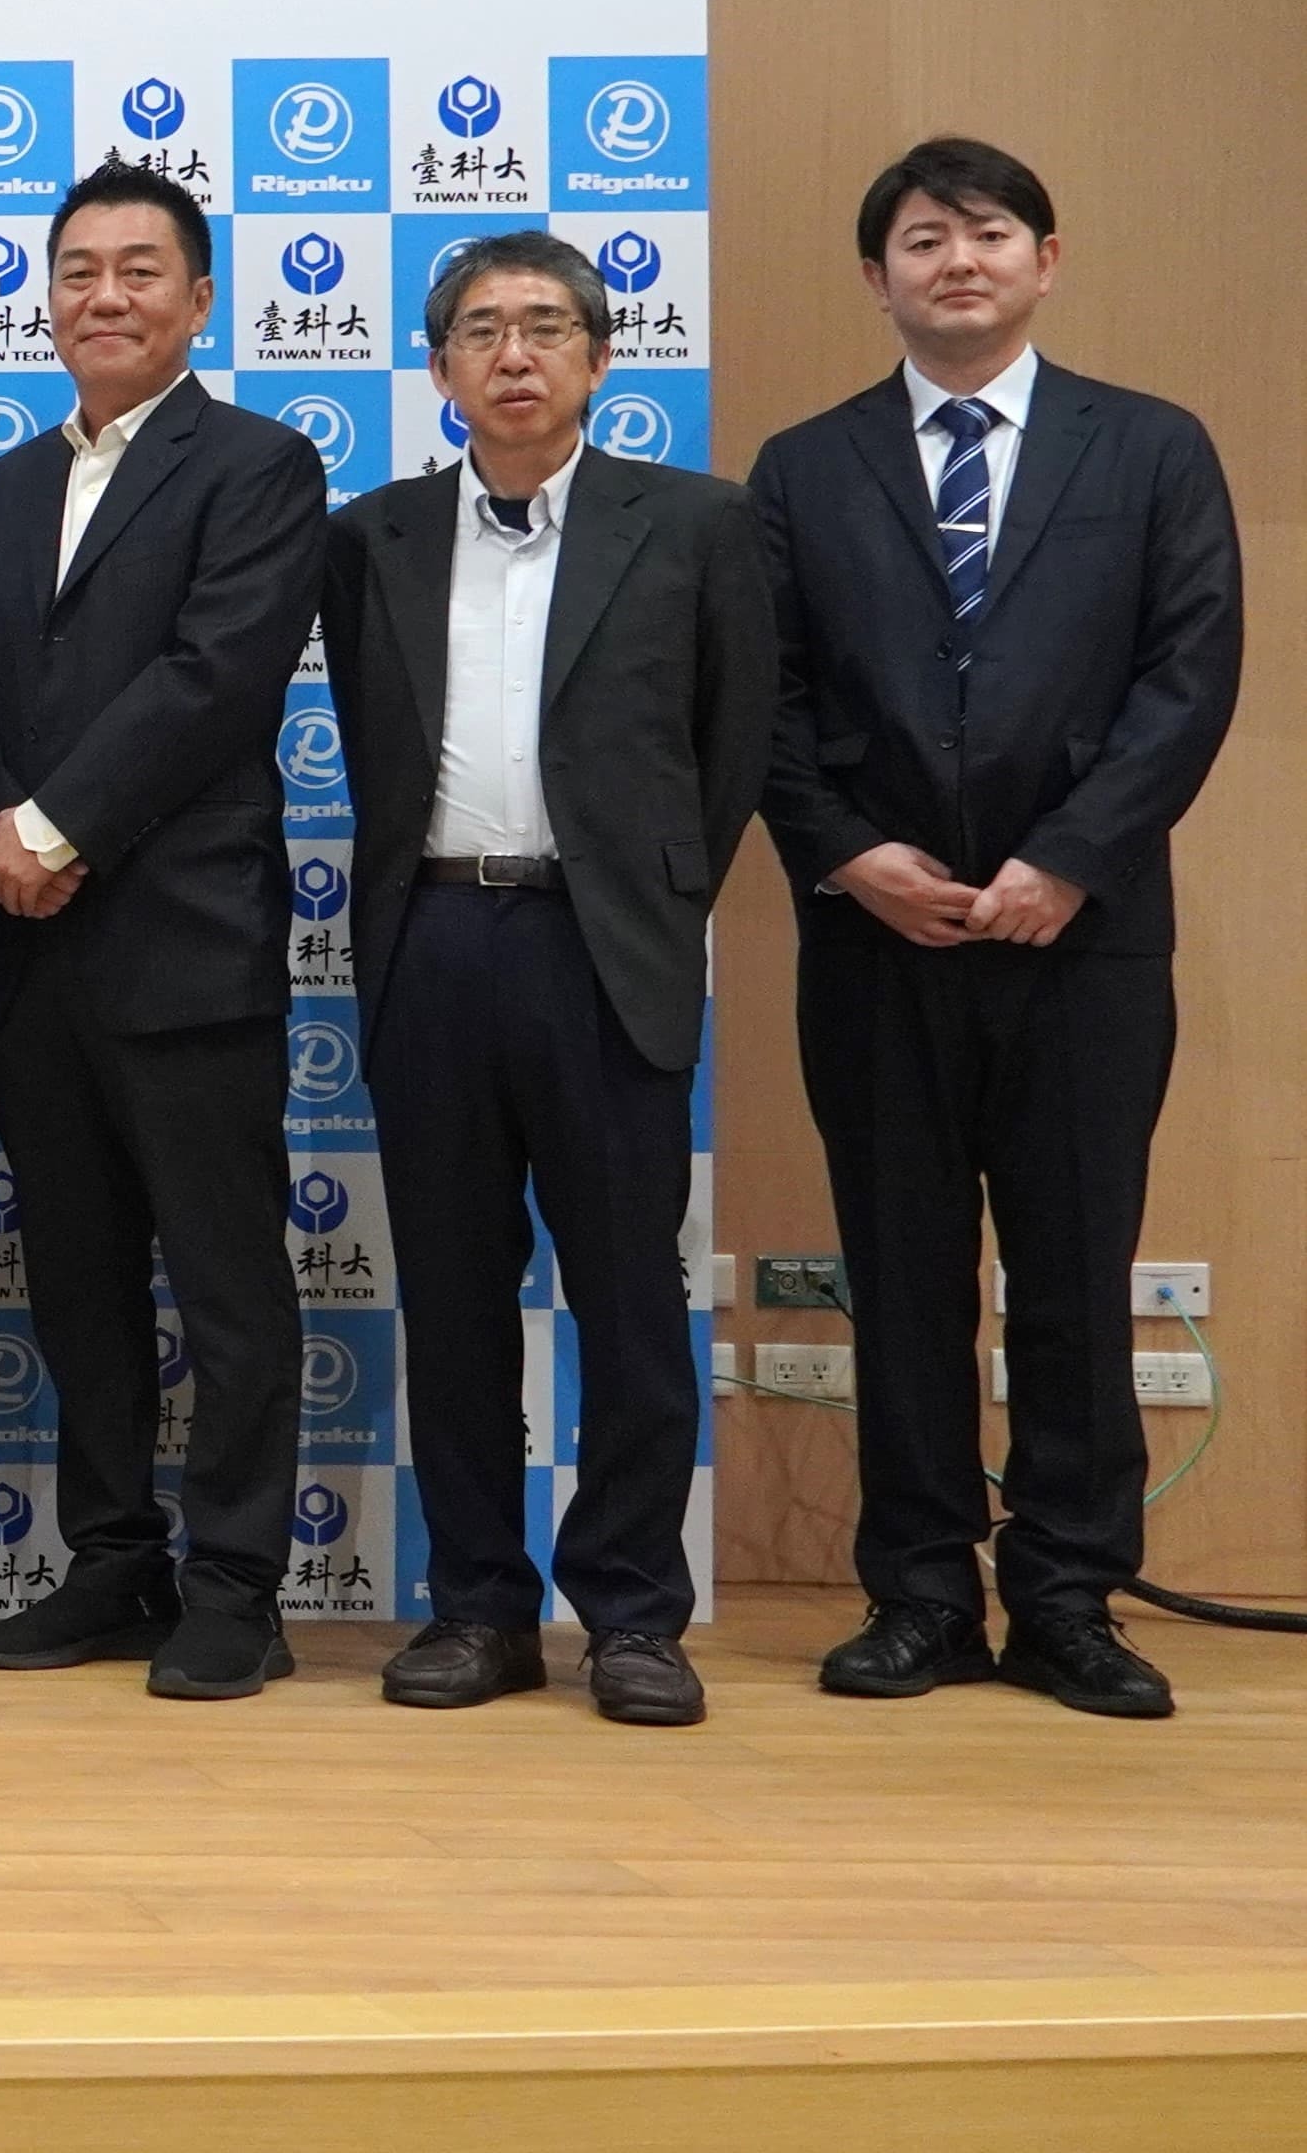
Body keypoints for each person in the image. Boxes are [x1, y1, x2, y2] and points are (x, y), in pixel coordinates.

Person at [753, 137, 1241, 1720]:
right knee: (896, 1276)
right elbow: (765, 704)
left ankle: (1065, 1598)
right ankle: (915, 1596)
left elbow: (1188, 676)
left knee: (1071, 1273)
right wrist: (849, 857)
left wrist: (1071, 859)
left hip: (1079, 943)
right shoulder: (804, 468)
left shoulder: (1151, 450)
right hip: (877, 943)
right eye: (918, 239)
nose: (953, 261)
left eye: (984, 234)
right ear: (875, 277)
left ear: (1045, 258)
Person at [319, 232, 770, 1727]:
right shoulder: (369, 537)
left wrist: (641, 899)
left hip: (600, 948)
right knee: (449, 1299)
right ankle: (473, 1611)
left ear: (596, 355)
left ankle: (633, 1615)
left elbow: (728, 753)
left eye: (545, 326)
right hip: (431, 941)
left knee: (627, 1300)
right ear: (438, 367)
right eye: (480, 330)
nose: (512, 353)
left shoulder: (694, 527)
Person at [0, 161, 325, 1701]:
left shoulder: (258, 463)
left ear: (197, 299)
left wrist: (54, 828)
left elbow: (213, 675)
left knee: (227, 1283)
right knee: (78, 1280)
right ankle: (111, 1561)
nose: (103, 296)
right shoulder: (4, 485)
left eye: (137, 271)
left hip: (182, 940)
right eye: (77, 271)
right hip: (33, 948)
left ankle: (235, 1585)